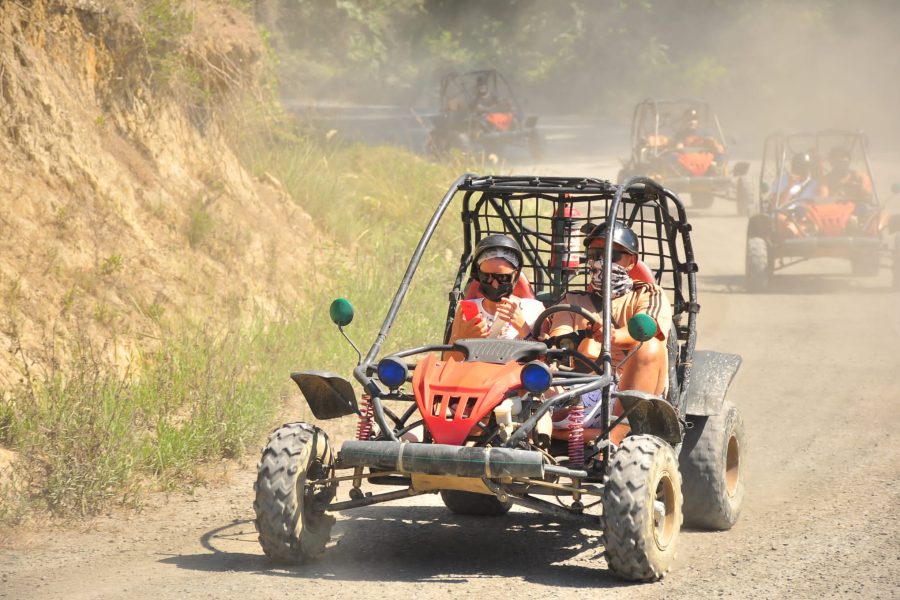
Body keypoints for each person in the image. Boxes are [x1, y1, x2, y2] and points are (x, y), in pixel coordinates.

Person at [546, 220, 673, 446]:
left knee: (650, 346)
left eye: (612, 256)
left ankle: (613, 442)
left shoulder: (647, 293)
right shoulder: (573, 300)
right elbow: (559, 341)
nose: (601, 262)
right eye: (595, 254)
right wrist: (582, 342)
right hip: (580, 386)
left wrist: (611, 337)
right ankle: (531, 435)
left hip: (629, 387)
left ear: (631, 261)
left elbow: (646, 328)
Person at [446, 234, 545, 349]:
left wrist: (525, 331)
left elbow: (544, 363)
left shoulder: (534, 310)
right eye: (487, 277)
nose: (495, 284)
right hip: (475, 367)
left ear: (515, 275)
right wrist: (463, 338)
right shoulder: (466, 311)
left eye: (503, 278)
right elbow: (448, 360)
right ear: (478, 275)